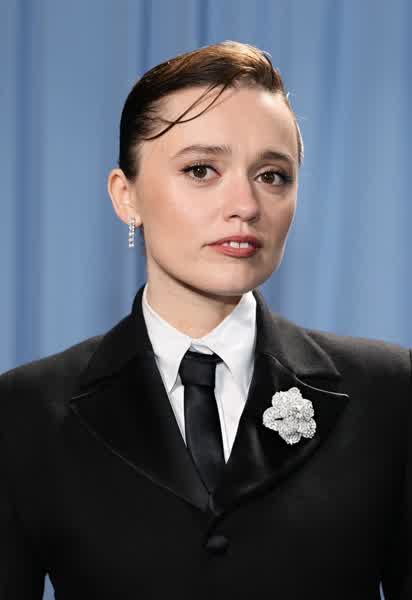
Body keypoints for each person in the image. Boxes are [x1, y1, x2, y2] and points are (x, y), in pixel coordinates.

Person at [0, 40, 410, 600]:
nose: (245, 204)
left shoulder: (392, 394)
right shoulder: (23, 412)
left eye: (272, 175)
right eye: (201, 170)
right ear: (126, 196)